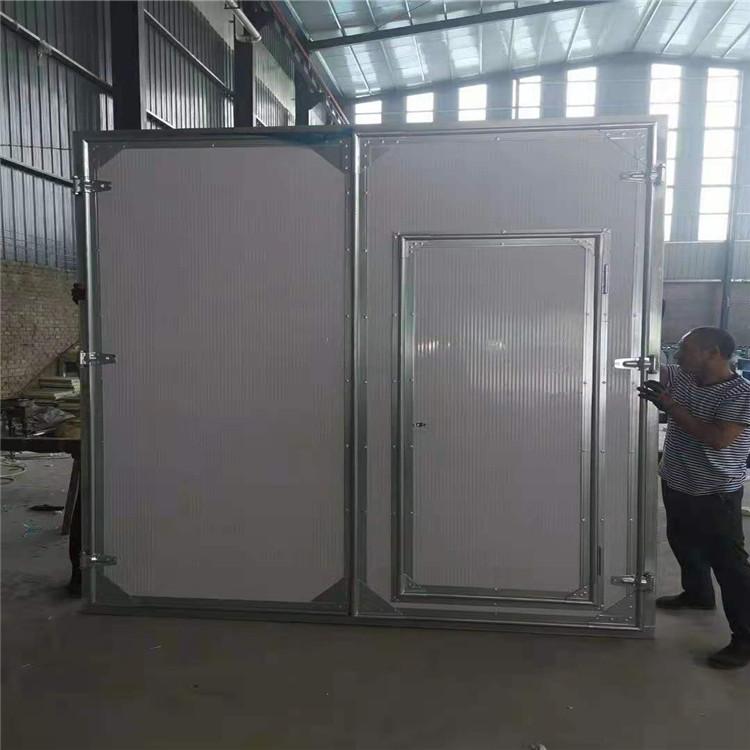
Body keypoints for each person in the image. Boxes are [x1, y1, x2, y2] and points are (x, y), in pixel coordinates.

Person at [638, 327, 750, 669]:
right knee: (683, 543)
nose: (678, 355)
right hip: (677, 481)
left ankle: (745, 639)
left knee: (730, 565)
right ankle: (698, 594)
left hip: (715, 492)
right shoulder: (684, 376)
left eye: (686, 349)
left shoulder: (741, 393)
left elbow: (717, 438)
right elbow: (649, 367)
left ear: (712, 353)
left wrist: (669, 405)